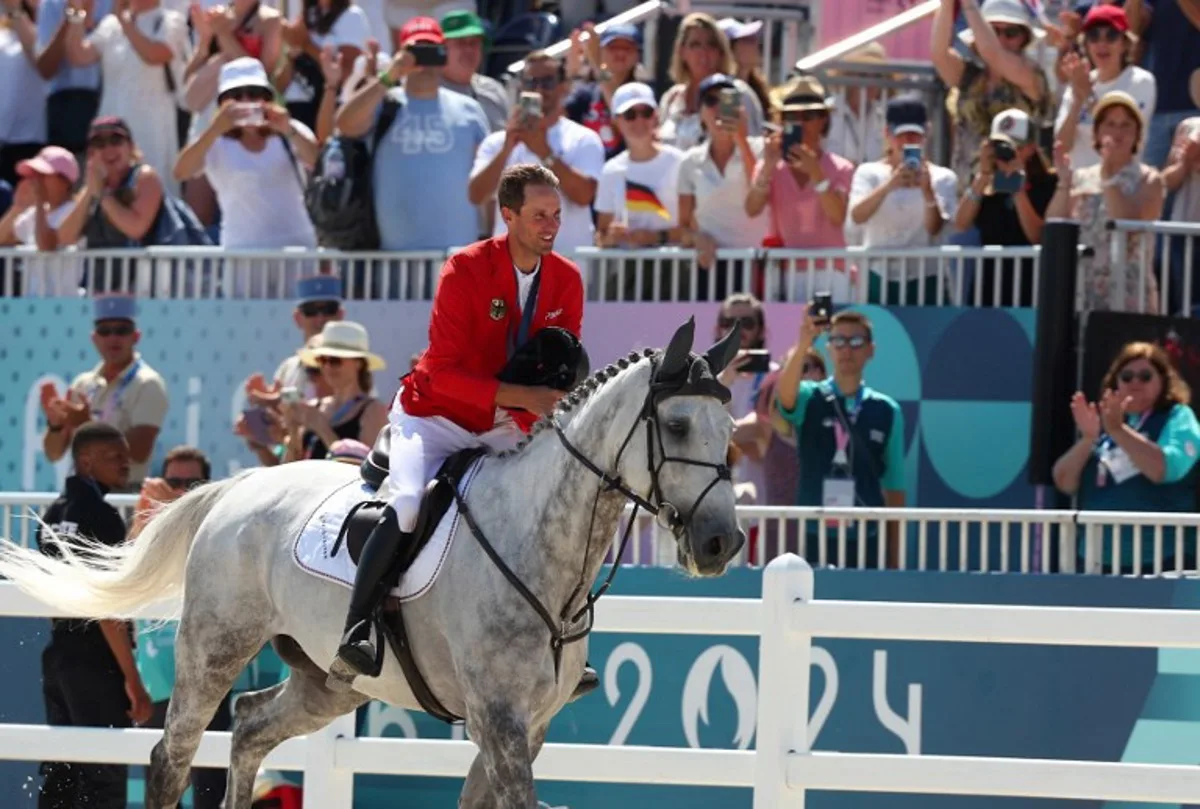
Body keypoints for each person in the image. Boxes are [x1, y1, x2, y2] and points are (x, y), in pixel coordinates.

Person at [330, 164, 586, 688]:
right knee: (405, 507)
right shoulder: (464, 270)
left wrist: (540, 404)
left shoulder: (567, 280)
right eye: (539, 215)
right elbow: (441, 374)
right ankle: (359, 629)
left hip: (504, 424)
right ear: (507, 215)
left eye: (557, 215)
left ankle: (561, 637)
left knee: (549, 510)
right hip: (434, 417)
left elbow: (559, 364)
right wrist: (526, 398)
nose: (550, 225)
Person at [37, 422, 153, 809]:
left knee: (62, 775)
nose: (126, 463)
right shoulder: (101, 515)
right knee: (104, 779)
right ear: (85, 460)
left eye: (126, 455)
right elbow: (106, 608)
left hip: (59, 658)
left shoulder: (52, 513)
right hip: (94, 663)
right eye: (114, 456)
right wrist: (132, 679)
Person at [130, 446, 230, 809]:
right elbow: (130, 566)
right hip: (158, 679)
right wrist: (146, 515)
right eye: (174, 482)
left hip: (209, 677)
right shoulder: (151, 520)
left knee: (209, 790)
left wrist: (173, 505)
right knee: (159, 790)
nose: (182, 491)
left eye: (193, 484)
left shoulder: (221, 525)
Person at [774, 307, 906, 569]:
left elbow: (895, 490)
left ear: (871, 350)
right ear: (830, 348)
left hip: (867, 535)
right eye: (838, 340)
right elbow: (784, 400)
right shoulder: (810, 396)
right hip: (814, 532)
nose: (847, 349)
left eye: (856, 341)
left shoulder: (887, 410)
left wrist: (894, 559)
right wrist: (803, 344)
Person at [1052, 341, 1200, 573]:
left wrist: (1119, 431)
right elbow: (1064, 482)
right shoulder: (1108, 423)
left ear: (1163, 381)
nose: (1135, 382)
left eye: (1145, 376)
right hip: (1096, 562)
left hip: (1164, 562)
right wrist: (1088, 439)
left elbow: (1164, 469)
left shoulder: (1177, 416)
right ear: (1115, 383)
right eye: (1127, 376)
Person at [1046, 90, 1164, 312]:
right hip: (1084, 290)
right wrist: (1063, 184)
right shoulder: (1081, 176)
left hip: (1130, 295)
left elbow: (1127, 224)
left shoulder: (1150, 179)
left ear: (1137, 134)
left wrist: (1109, 178)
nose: (1117, 132)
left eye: (1125, 125)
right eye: (1110, 124)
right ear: (1097, 132)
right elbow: (1054, 224)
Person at [41, 294, 169, 491]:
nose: (113, 338)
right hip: (81, 490)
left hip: (123, 493)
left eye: (122, 330)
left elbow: (139, 451)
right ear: (94, 338)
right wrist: (56, 426)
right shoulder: (83, 383)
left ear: (136, 336)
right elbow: (53, 454)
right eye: (105, 330)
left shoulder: (148, 383)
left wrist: (86, 424)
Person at [846, 94, 958, 304]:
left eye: (914, 135)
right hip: (878, 276)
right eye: (901, 134)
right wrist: (889, 185)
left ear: (926, 134)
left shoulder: (943, 177)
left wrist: (928, 192)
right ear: (887, 133)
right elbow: (857, 216)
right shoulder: (868, 172)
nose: (907, 142)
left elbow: (934, 229)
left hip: (927, 278)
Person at [953, 108, 1057, 306]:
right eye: (999, 145)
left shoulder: (1048, 183)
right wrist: (982, 176)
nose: (1005, 152)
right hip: (988, 289)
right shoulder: (986, 186)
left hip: (1029, 289)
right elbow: (961, 224)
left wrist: (1018, 189)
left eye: (1014, 146)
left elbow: (1037, 236)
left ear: (1031, 148)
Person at [1055, 5, 1155, 171]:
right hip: (1080, 188)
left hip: (1121, 188)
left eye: (1111, 36)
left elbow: (1120, 136)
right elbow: (1062, 147)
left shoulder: (1141, 81)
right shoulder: (1080, 81)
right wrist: (1077, 102)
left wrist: (1086, 93)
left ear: (1125, 43)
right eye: (1093, 37)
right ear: (1086, 45)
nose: (1102, 44)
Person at [281, 320, 389, 461]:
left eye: (335, 360)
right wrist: (293, 429)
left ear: (358, 363)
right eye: (322, 360)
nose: (327, 367)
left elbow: (364, 470)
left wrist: (322, 428)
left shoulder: (373, 410)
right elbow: (289, 469)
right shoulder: (314, 407)